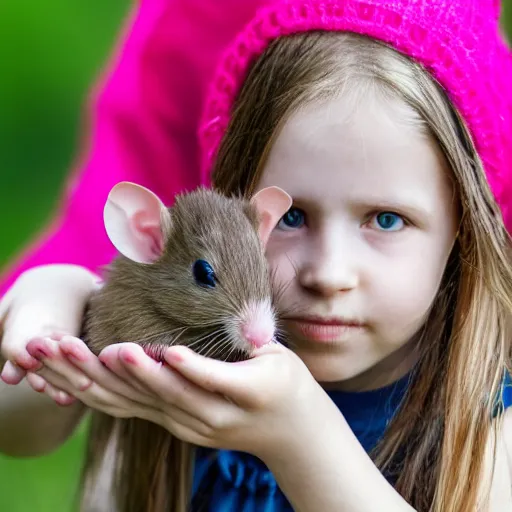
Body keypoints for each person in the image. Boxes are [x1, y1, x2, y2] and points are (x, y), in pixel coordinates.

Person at [1, 0, 511, 511]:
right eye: (291, 218)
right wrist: (60, 303)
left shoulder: (484, 423)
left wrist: (301, 440)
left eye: (385, 219)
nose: (328, 274)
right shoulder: (192, 344)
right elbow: (15, 428)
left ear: (463, 230)